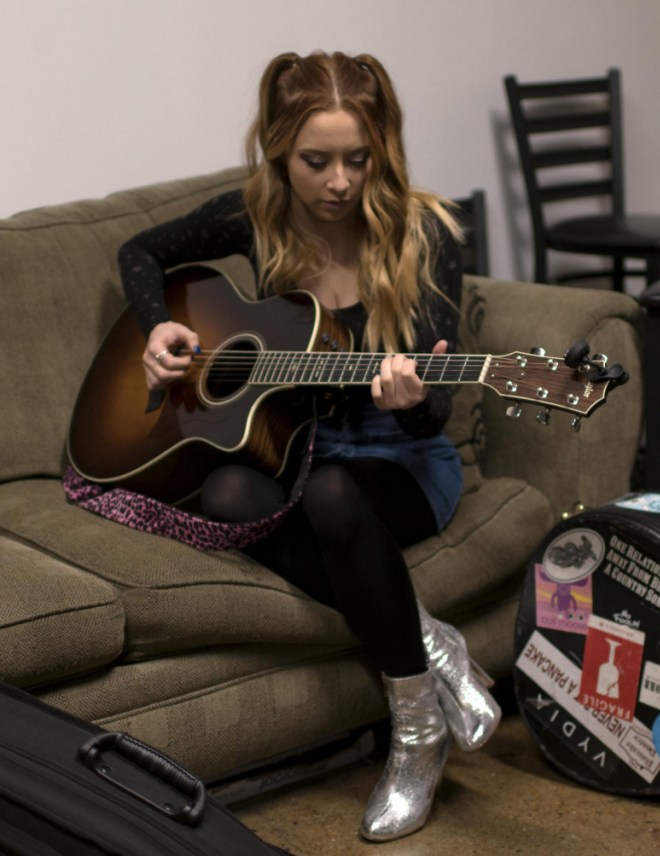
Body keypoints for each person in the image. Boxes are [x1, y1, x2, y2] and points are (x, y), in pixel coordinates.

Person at [108, 50, 500, 841]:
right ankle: (429, 634)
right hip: (301, 447)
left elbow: (435, 415)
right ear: (280, 151)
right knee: (223, 493)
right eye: (315, 161)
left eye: (358, 159)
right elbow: (138, 253)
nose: (339, 183)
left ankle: (417, 729)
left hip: (402, 460)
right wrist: (160, 327)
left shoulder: (427, 232)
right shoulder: (257, 214)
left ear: (381, 148)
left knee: (330, 496)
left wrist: (414, 401)